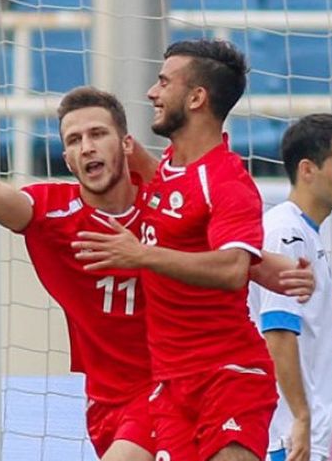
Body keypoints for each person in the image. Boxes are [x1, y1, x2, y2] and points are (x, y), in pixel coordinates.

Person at [0, 85, 313, 461]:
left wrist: (273, 270)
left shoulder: (162, 204)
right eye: (75, 140)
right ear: (66, 158)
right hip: (106, 401)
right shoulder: (52, 214)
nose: (87, 147)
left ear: (126, 144)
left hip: (180, 382)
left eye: (98, 134)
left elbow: (227, 254)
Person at [72, 39, 281, 461]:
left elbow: (231, 269)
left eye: (164, 82)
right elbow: (176, 206)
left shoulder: (227, 181)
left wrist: (142, 256)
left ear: (197, 97)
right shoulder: (165, 168)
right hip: (170, 387)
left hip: (229, 375)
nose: (152, 92)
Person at [248, 114, 332, 461]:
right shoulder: (284, 233)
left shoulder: (304, 233)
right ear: (307, 170)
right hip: (287, 436)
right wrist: (300, 418)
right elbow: (278, 331)